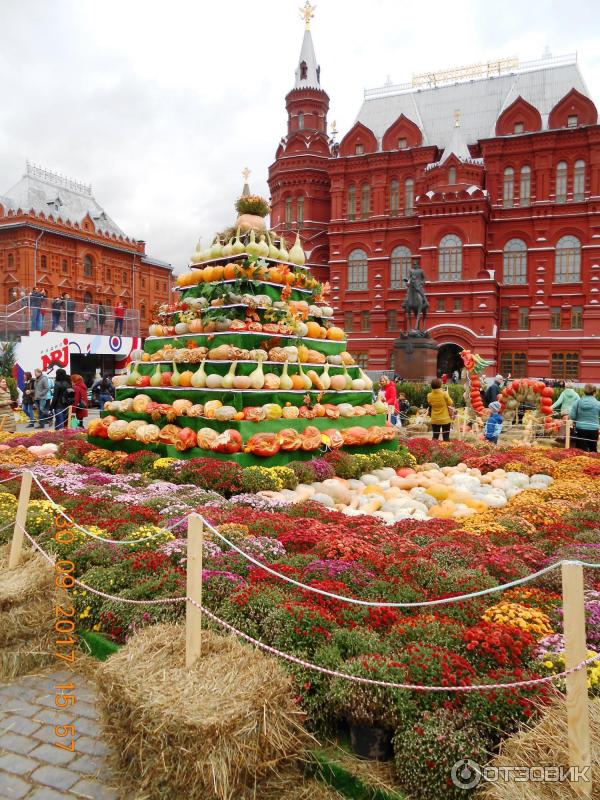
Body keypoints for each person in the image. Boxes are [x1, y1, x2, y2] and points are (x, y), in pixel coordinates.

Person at [569, 385, 600, 453]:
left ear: (584, 392)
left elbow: (572, 416)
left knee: (580, 451)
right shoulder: (598, 404)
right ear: (595, 392)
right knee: (593, 451)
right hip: (593, 429)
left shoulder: (577, 402)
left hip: (580, 429)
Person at [427, 377, 454, 441]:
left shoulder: (429, 395)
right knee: (446, 437)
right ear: (440, 385)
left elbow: (430, 403)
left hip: (435, 418)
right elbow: (450, 403)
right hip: (445, 418)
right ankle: (446, 449)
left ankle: (433, 448)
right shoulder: (444, 394)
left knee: (435, 436)